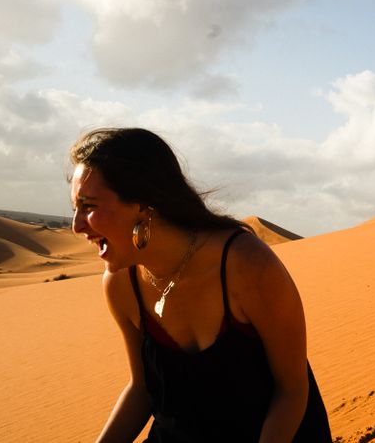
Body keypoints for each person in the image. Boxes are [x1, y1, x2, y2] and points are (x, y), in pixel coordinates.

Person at [69, 128, 332, 442]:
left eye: (88, 206)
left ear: (142, 203)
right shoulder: (121, 284)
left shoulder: (246, 265)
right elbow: (142, 389)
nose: (76, 226)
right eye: (74, 209)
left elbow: (292, 390)